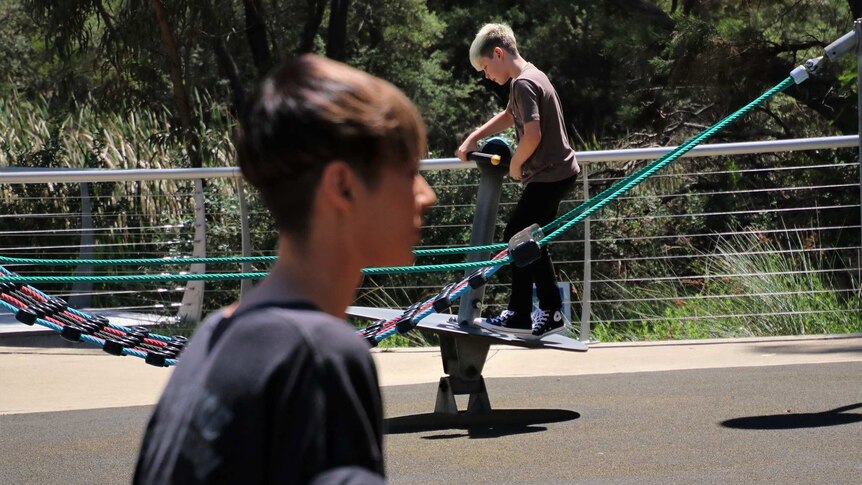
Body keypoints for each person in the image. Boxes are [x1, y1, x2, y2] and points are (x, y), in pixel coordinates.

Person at [134, 54, 436, 484]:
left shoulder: (213, 339)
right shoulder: (318, 353)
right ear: (343, 186)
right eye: (409, 173)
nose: (427, 196)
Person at [456, 23, 579, 338]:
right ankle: (522, 313)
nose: (485, 75)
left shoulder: (523, 83)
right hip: (559, 173)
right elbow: (511, 116)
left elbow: (533, 134)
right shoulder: (529, 78)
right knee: (527, 241)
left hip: (549, 175)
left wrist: (517, 164)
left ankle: (542, 312)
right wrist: (474, 137)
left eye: (485, 67)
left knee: (517, 237)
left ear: (498, 54)